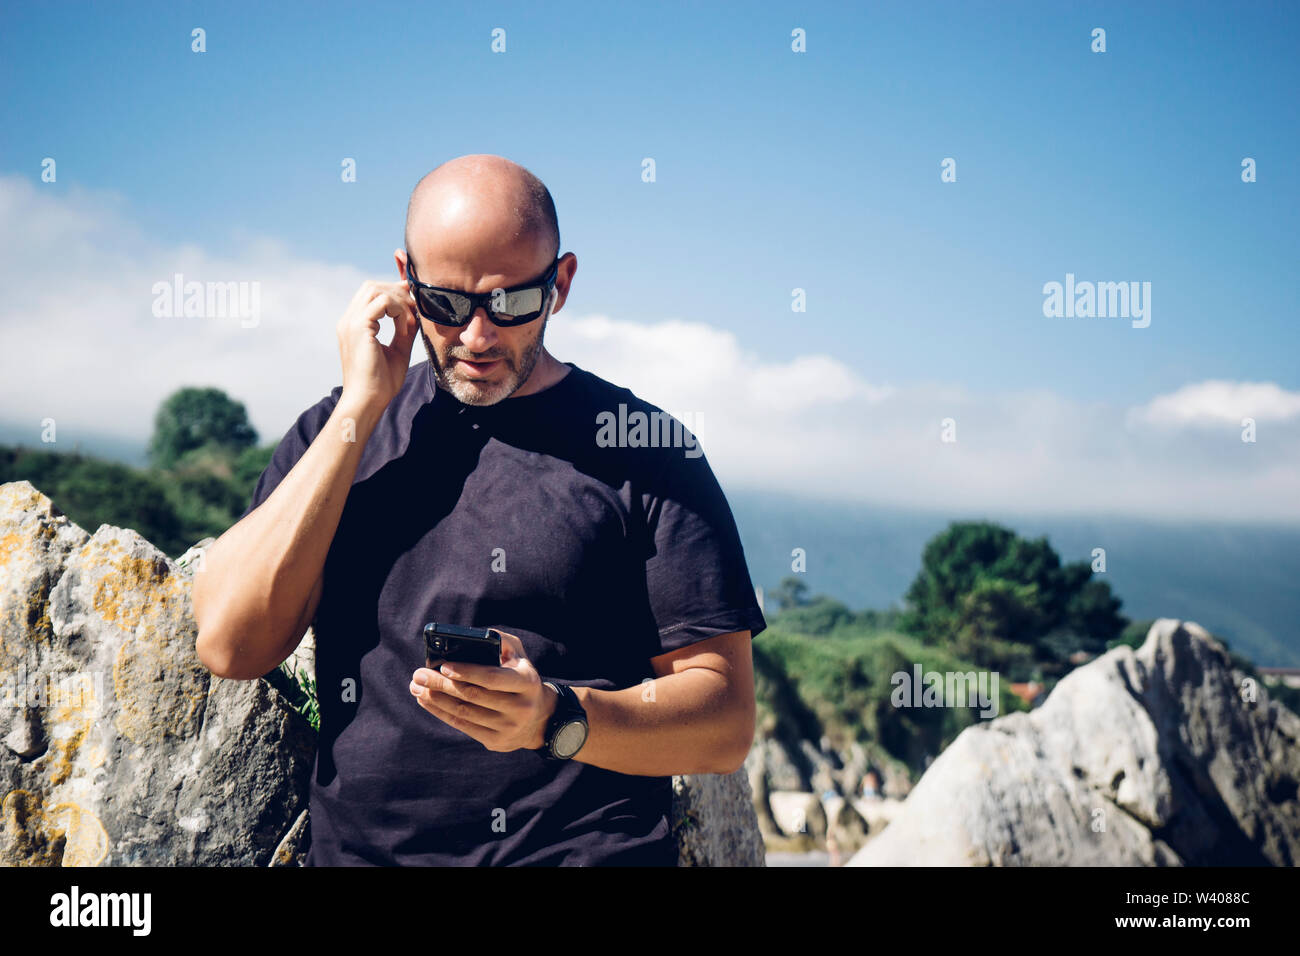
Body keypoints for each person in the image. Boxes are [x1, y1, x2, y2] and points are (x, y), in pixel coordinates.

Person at [192, 154, 767, 866]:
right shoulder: (337, 432)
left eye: (511, 303)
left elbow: (724, 720)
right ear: (404, 282)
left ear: (561, 283)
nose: (478, 337)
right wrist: (364, 403)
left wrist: (556, 718)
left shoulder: (648, 454)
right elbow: (229, 644)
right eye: (446, 304)